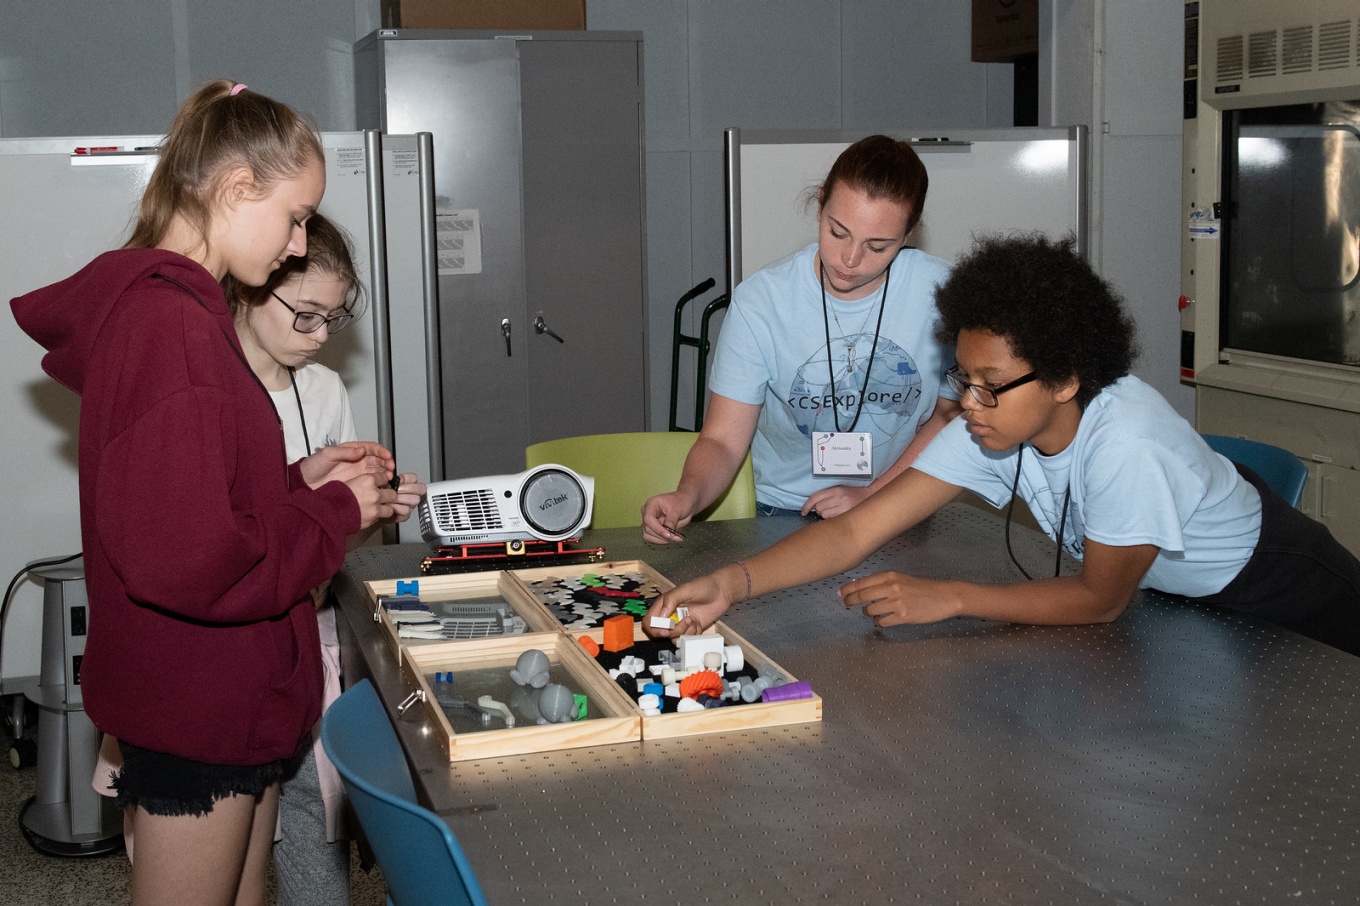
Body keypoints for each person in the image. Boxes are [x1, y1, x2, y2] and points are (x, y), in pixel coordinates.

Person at [10, 81, 416, 906]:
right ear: (235, 190)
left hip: (230, 695)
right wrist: (338, 512)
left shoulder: (177, 316)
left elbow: (196, 498)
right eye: (296, 216)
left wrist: (297, 481)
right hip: (200, 701)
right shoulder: (173, 329)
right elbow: (196, 561)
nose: (301, 243)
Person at [644, 233, 1360, 658]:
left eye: (989, 385)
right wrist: (732, 585)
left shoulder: (1128, 445)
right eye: (962, 377)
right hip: (1185, 602)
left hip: (1286, 588)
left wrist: (952, 597)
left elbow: (1099, 599)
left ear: (1063, 380)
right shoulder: (993, 425)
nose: (967, 403)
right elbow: (857, 529)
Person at [230, 213, 423, 905]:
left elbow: (336, 542)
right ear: (250, 287)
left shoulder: (323, 392)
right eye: (306, 316)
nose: (319, 338)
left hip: (305, 639)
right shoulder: (211, 390)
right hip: (233, 652)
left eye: (332, 320)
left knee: (312, 815)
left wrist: (372, 511)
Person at [641, 135, 961, 542]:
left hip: (897, 501)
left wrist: (873, 495)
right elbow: (722, 440)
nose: (850, 259)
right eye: (838, 232)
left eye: (878, 246)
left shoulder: (943, 294)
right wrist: (688, 495)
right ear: (821, 203)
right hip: (780, 512)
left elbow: (949, 415)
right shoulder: (761, 302)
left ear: (910, 232)